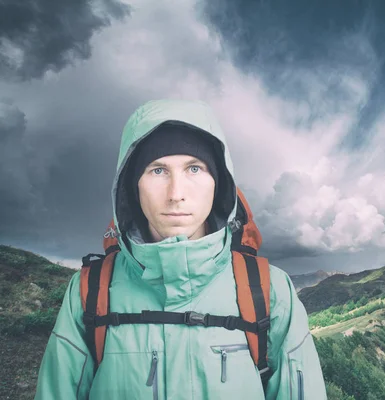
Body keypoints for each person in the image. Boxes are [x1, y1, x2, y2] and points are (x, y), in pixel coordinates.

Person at [34, 99, 327, 399]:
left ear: (219, 183)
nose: (176, 194)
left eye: (194, 169)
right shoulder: (88, 291)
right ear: (132, 185)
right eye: (158, 170)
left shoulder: (270, 291)